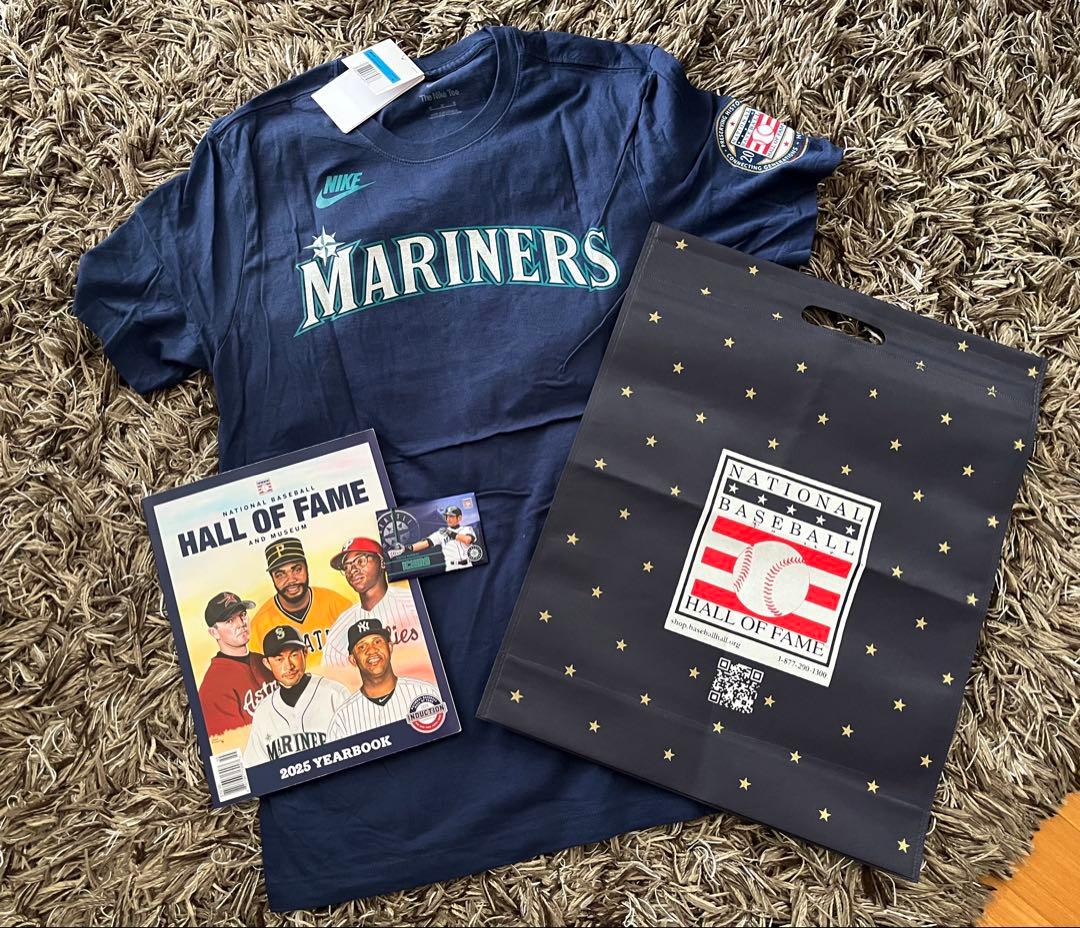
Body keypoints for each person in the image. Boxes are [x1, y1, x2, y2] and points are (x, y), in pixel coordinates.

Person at [243, 625, 349, 766]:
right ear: (267, 663)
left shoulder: (335, 694)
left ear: (305, 652)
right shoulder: (263, 712)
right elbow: (254, 768)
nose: (288, 666)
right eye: (279, 659)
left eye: (293, 655)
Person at [326, 618, 442, 739]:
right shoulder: (343, 717)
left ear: (390, 647)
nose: (371, 650)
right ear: (353, 660)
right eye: (362, 647)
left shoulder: (425, 692)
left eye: (377, 642)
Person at [248, 537, 351, 669]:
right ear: (272, 578)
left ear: (306, 568)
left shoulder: (337, 605)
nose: (291, 580)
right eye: (280, 575)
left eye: (297, 570)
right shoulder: (259, 627)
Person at [322, 537, 421, 666]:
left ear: (382, 562)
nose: (352, 570)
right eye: (346, 567)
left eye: (360, 561)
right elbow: (332, 674)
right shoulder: (339, 630)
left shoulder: (413, 603)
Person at [198, 591, 276, 737]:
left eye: (243, 615)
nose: (241, 624)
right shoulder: (213, 689)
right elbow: (235, 743)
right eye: (229, 621)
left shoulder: (263, 661)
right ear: (214, 632)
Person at [390, 505, 477, 571]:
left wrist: (449, 533)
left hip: (468, 564)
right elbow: (426, 543)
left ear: (459, 518)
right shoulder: (440, 533)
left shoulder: (467, 529)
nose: (448, 519)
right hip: (451, 567)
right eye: (447, 516)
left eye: (451, 516)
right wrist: (406, 548)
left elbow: (468, 540)